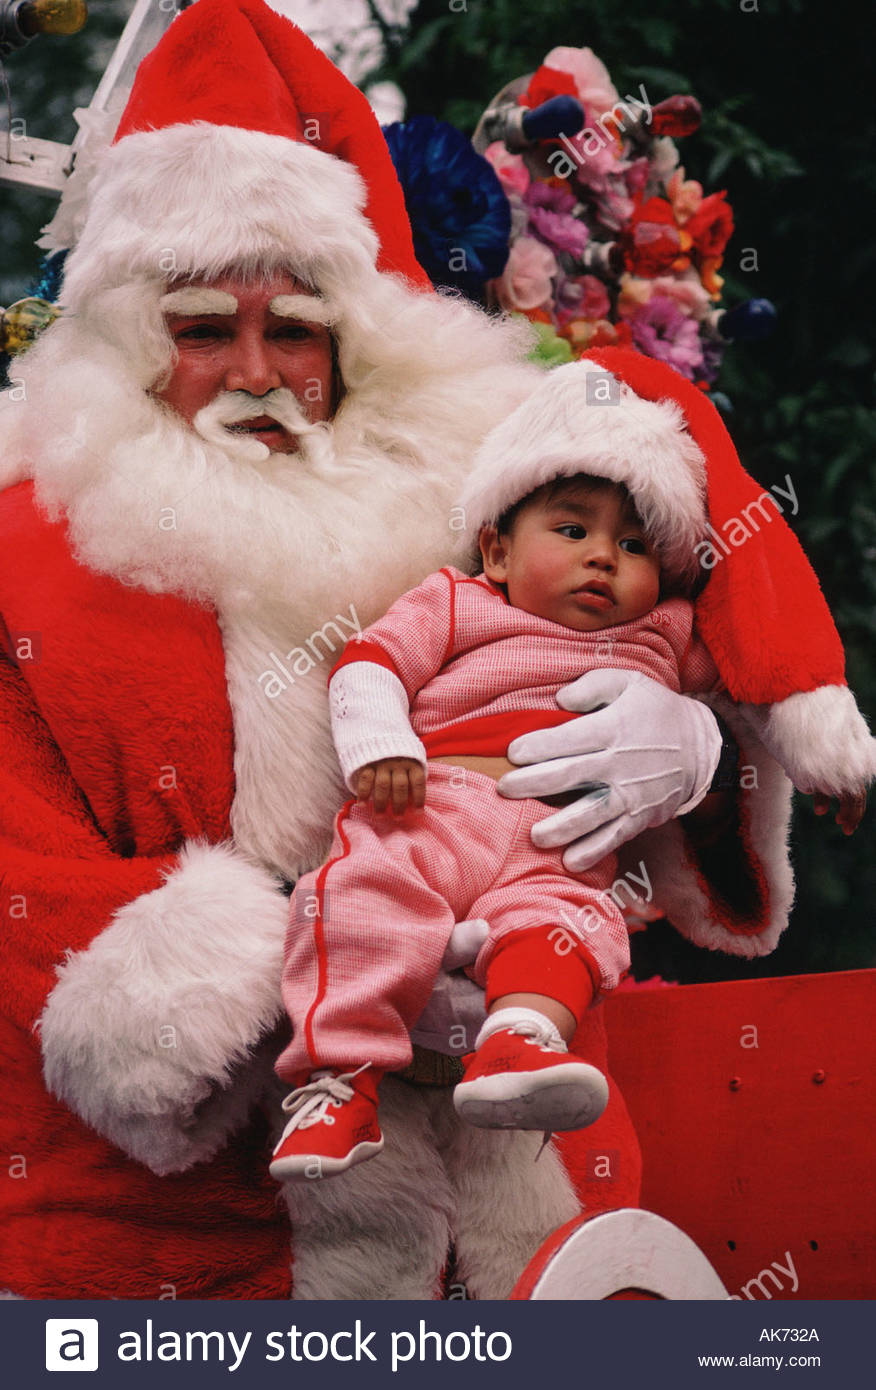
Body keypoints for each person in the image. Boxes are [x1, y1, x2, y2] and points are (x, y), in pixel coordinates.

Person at [1, 0, 871, 1301]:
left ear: (359, 335)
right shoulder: (30, 544)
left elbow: (669, 509)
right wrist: (278, 969)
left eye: (295, 328)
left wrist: (694, 730)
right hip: (187, 1244)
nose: (253, 369)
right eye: (199, 330)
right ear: (131, 338)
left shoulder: (477, 490)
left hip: (525, 1212)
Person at [270, 357, 869, 1181]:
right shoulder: (456, 600)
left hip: (563, 845)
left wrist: (829, 763)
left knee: (570, 929)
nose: (602, 558)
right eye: (572, 529)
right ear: (497, 550)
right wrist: (382, 748)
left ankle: (520, 1042)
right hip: (433, 809)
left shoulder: (666, 630)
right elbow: (370, 665)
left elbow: (761, 682)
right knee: (354, 900)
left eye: (632, 544)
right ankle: (339, 1081)